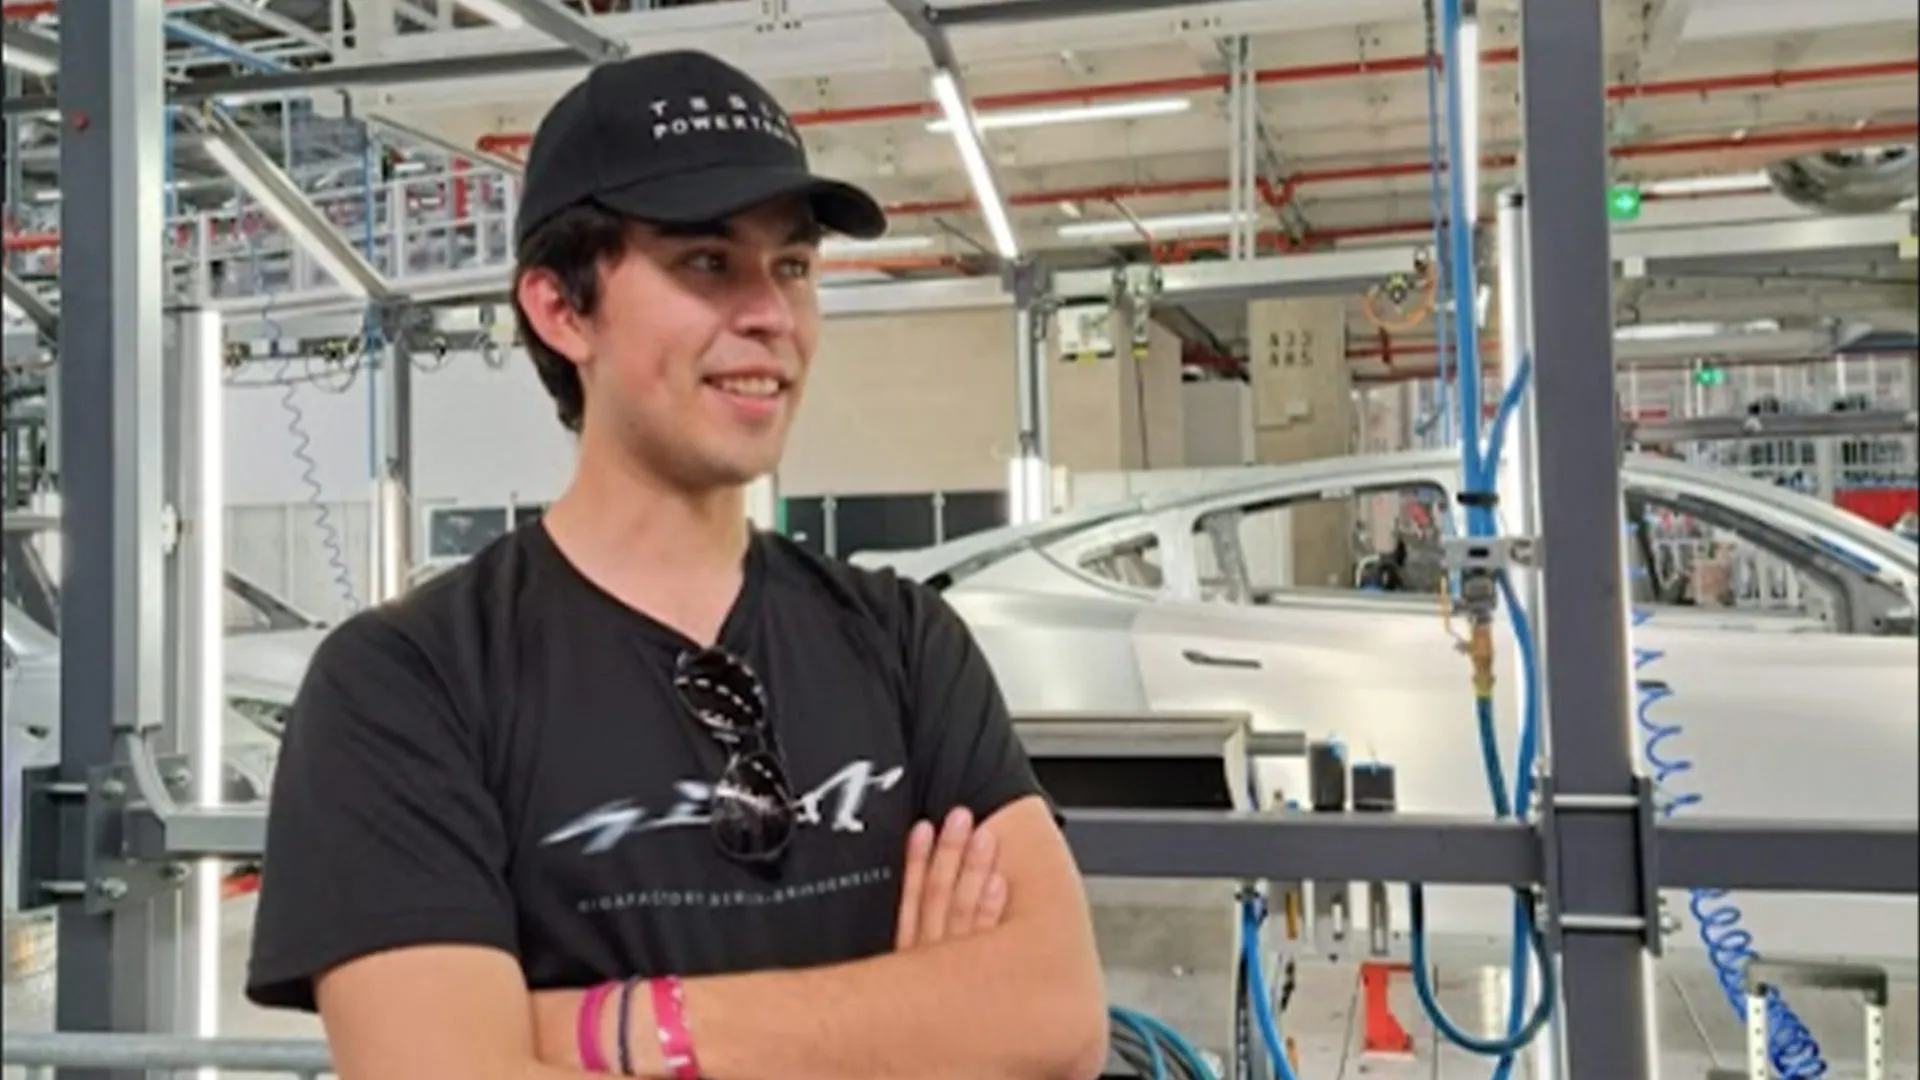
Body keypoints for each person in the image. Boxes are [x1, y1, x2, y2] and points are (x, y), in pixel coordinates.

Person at [244, 48, 1110, 1080]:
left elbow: (1054, 1016)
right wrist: (914, 1024)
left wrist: (618, 1029)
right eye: (706, 262)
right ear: (562, 310)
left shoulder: (907, 645)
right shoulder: (408, 686)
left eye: (792, 265)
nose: (771, 315)